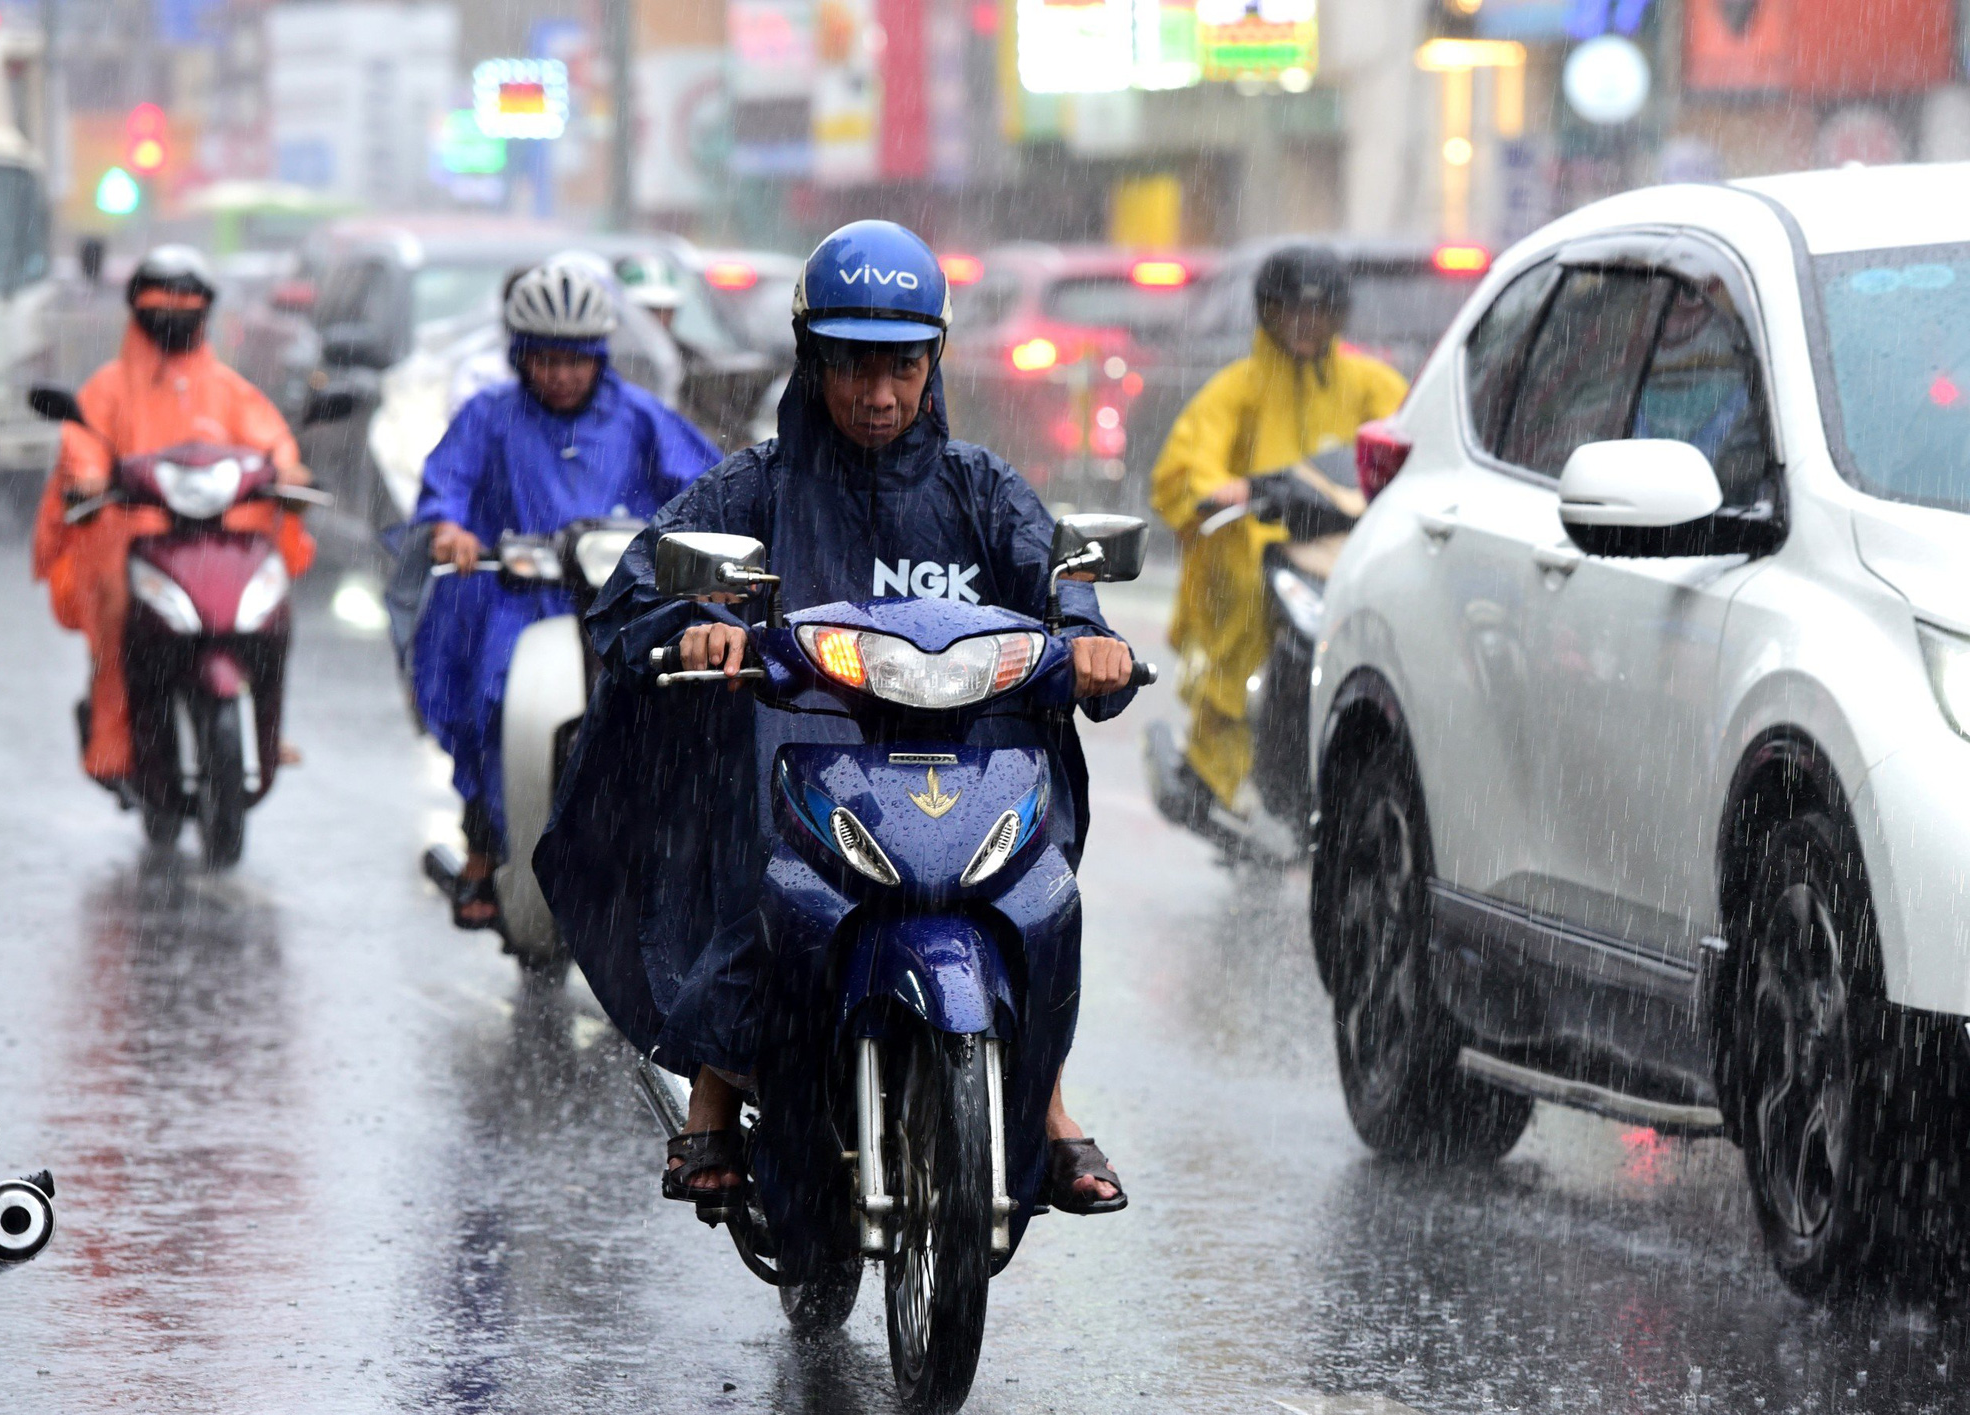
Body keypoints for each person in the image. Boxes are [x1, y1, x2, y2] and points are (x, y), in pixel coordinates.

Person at [537, 220, 1132, 1214]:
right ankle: (716, 1098)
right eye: (852, 366)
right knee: (746, 852)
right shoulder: (755, 488)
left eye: (900, 366)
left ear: (932, 360)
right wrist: (693, 626)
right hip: (803, 783)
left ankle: (1046, 1105)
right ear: (811, 357)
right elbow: (633, 594)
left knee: (1043, 894)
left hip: (966, 775)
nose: (878, 395)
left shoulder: (981, 492)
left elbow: (1062, 590)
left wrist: (1089, 636)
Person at [410, 260, 720, 930]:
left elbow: (705, 487)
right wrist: (450, 529)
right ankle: (486, 848)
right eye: (544, 359)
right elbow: (449, 484)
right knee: (491, 702)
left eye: (573, 361)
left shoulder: (639, 416)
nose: (559, 375)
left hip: (625, 600)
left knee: (680, 706)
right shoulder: (490, 416)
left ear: (599, 356)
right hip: (518, 601)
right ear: (520, 355)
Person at [31, 244, 315, 791]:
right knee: (116, 604)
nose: (174, 319)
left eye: (187, 307)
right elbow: (82, 444)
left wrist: (291, 471)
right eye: (162, 307)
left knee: (270, 608)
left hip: (219, 538)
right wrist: (91, 479)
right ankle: (115, 734)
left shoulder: (228, 390)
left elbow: (272, 440)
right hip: (131, 539)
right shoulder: (108, 388)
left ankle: (265, 724)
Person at [1147, 244, 1407, 833]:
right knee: (1239, 638)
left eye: (1319, 313)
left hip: (1339, 546)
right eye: (1293, 311)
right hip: (1251, 549)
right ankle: (1218, 777)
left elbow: (1404, 430)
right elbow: (1191, 459)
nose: (1306, 325)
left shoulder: (1368, 381)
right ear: (1269, 313)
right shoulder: (1238, 387)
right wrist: (1221, 490)